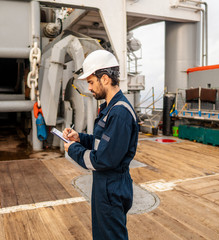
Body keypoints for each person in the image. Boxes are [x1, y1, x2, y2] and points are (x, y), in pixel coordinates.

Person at [63, 49, 139, 240]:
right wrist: (79, 138)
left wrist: (73, 150)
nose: (89, 88)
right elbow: (101, 143)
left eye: (90, 82)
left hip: (111, 188)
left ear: (104, 78)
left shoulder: (119, 113)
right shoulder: (110, 109)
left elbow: (102, 160)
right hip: (106, 185)